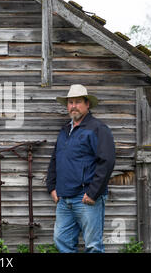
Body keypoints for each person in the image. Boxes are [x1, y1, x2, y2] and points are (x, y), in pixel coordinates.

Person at [45, 84, 115, 253]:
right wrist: (52, 187)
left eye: (77, 102)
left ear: (87, 104)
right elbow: (56, 159)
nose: (73, 106)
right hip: (64, 199)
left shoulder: (98, 129)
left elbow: (107, 161)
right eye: (70, 102)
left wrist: (93, 193)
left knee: (93, 246)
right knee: (61, 240)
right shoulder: (65, 130)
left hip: (86, 198)